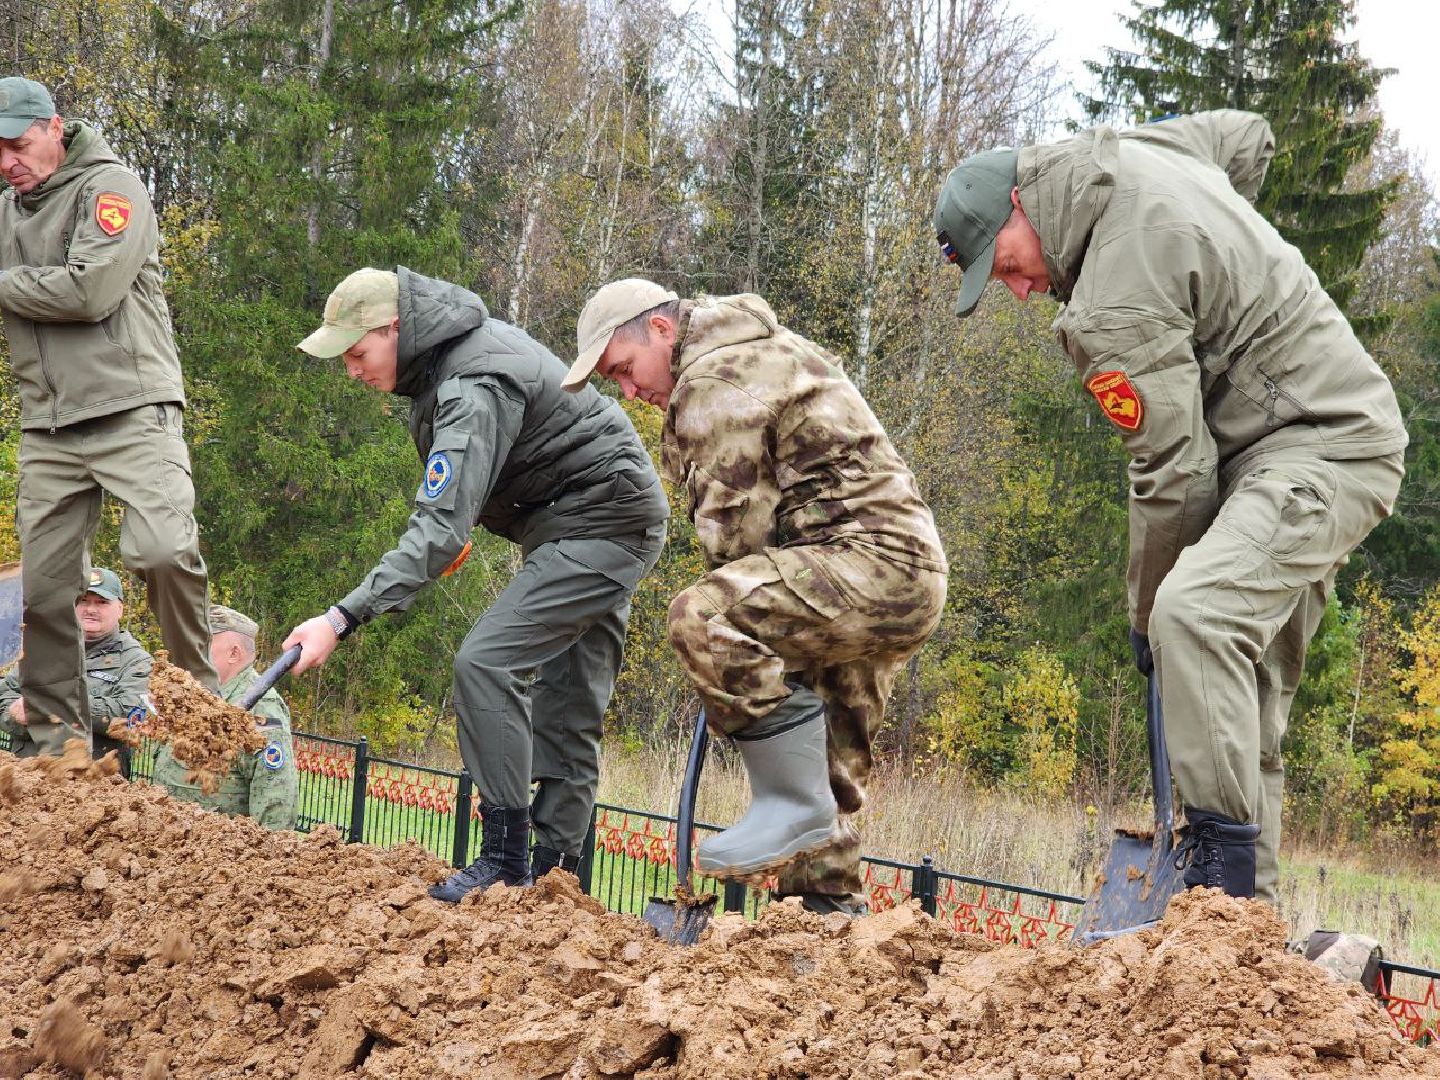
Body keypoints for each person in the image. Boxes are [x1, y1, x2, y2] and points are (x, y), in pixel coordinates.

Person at [932, 111, 1407, 903]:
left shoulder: (1114, 300)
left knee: (1192, 618)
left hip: (1325, 445)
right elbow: (1249, 135)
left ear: (1022, 204)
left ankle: (1219, 890)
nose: (1018, 289)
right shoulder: (1138, 154)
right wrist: (1232, 248)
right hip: (1295, 437)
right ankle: (1253, 948)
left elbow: (1174, 472)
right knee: (1239, 694)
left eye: (1005, 263)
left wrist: (1145, 612)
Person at [282, 267, 669, 901]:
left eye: (357, 352)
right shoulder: (452, 363)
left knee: (485, 662)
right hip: (588, 518)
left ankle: (508, 860)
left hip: (602, 522)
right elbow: (459, 509)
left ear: (395, 329)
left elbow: (437, 530)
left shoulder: (470, 380)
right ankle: (554, 880)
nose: (352, 370)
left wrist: (339, 618)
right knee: (570, 706)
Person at [564, 279, 948, 916]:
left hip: (861, 561)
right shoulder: (767, 348)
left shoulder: (711, 382)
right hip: (898, 571)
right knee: (829, 751)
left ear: (661, 331)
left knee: (701, 618)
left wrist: (726, 670)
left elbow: (735, 540)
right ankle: (824, 918)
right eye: (616, 382)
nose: (630, 392)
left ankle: (788, 809)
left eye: (626, 370)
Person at [0, 76, 218, 762]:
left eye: (18, 141)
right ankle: (58, 748)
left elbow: (90, 290)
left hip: (130, 406)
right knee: (44, 589)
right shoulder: (5, 212)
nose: (9, 158)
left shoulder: (111, 189)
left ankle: (197, 705)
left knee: (160, 550)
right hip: (49, 423)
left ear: (54, 127)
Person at [153, 606, 298, 830]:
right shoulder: (193, 695)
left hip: (217, 853)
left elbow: (276, 802)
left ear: (234, 653)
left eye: (202, 644)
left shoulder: (261, 708)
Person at [0, 567, 151, 776]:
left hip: (92, 787)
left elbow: (132, 717)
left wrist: (58, 703)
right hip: (27, 779)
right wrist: (14, 716)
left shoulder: (136, 661)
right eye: (84, 600)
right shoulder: (40, 649)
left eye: (102, 602)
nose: (91, 609)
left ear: (120, 609)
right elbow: (5, 696)